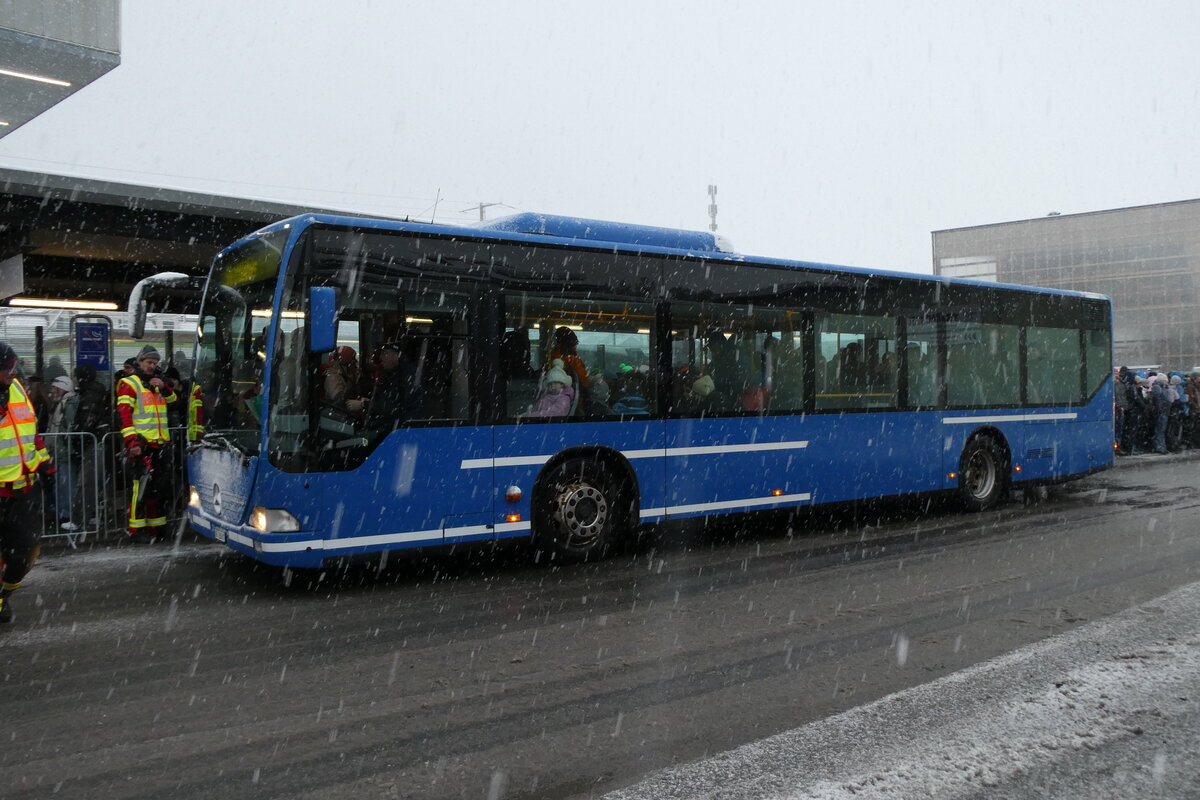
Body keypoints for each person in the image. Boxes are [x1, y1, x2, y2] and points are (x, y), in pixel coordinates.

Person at [0, 342, 54, 625]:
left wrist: (45, 463)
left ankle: (4, 595)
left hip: (21, 487)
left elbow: (31, 432)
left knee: (25, 552)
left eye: (14, 366)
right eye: (8, 367)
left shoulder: (18, 389)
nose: (14, 371)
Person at [117, 345, 177, 541]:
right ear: (140, 362)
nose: (152, 366)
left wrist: (163, 386)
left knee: (158, 489)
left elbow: (174, 399)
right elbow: (124, 416)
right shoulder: (129, 384)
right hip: (142, 445)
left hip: (160, 444)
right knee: (140, 489)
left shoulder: (157, 383)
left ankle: (157, 528)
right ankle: (136, 530)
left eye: (155, 363)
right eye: (149, 362)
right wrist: (132, 442)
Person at [72, 363, 111, 526]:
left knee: (87, 483)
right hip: (97, 440)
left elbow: (87, 421)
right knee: (97, 482)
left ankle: (81, 519)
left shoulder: (90, 394)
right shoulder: (97, 392)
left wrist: (77, 441)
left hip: (92, 442)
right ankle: (96, 515)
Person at [355, 342, 417, 433]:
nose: (381, 358)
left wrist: (364, 405)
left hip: (394, 431)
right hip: (388, 428)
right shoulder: (394, 374)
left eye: (385, 354)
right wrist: (369, 402)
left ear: (396, 356)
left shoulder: (406, 377)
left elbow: (397, 409)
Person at [45, 375, 79, 529]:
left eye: (55, 388)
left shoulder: (68, 403)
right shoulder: (62, 403)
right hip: (59, 451)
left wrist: (66, 445)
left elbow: (67, 426)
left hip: (64, 452)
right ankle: (62, 515)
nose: (52, 391)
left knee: (65, 484)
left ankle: (65, 516)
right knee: (61, 483)